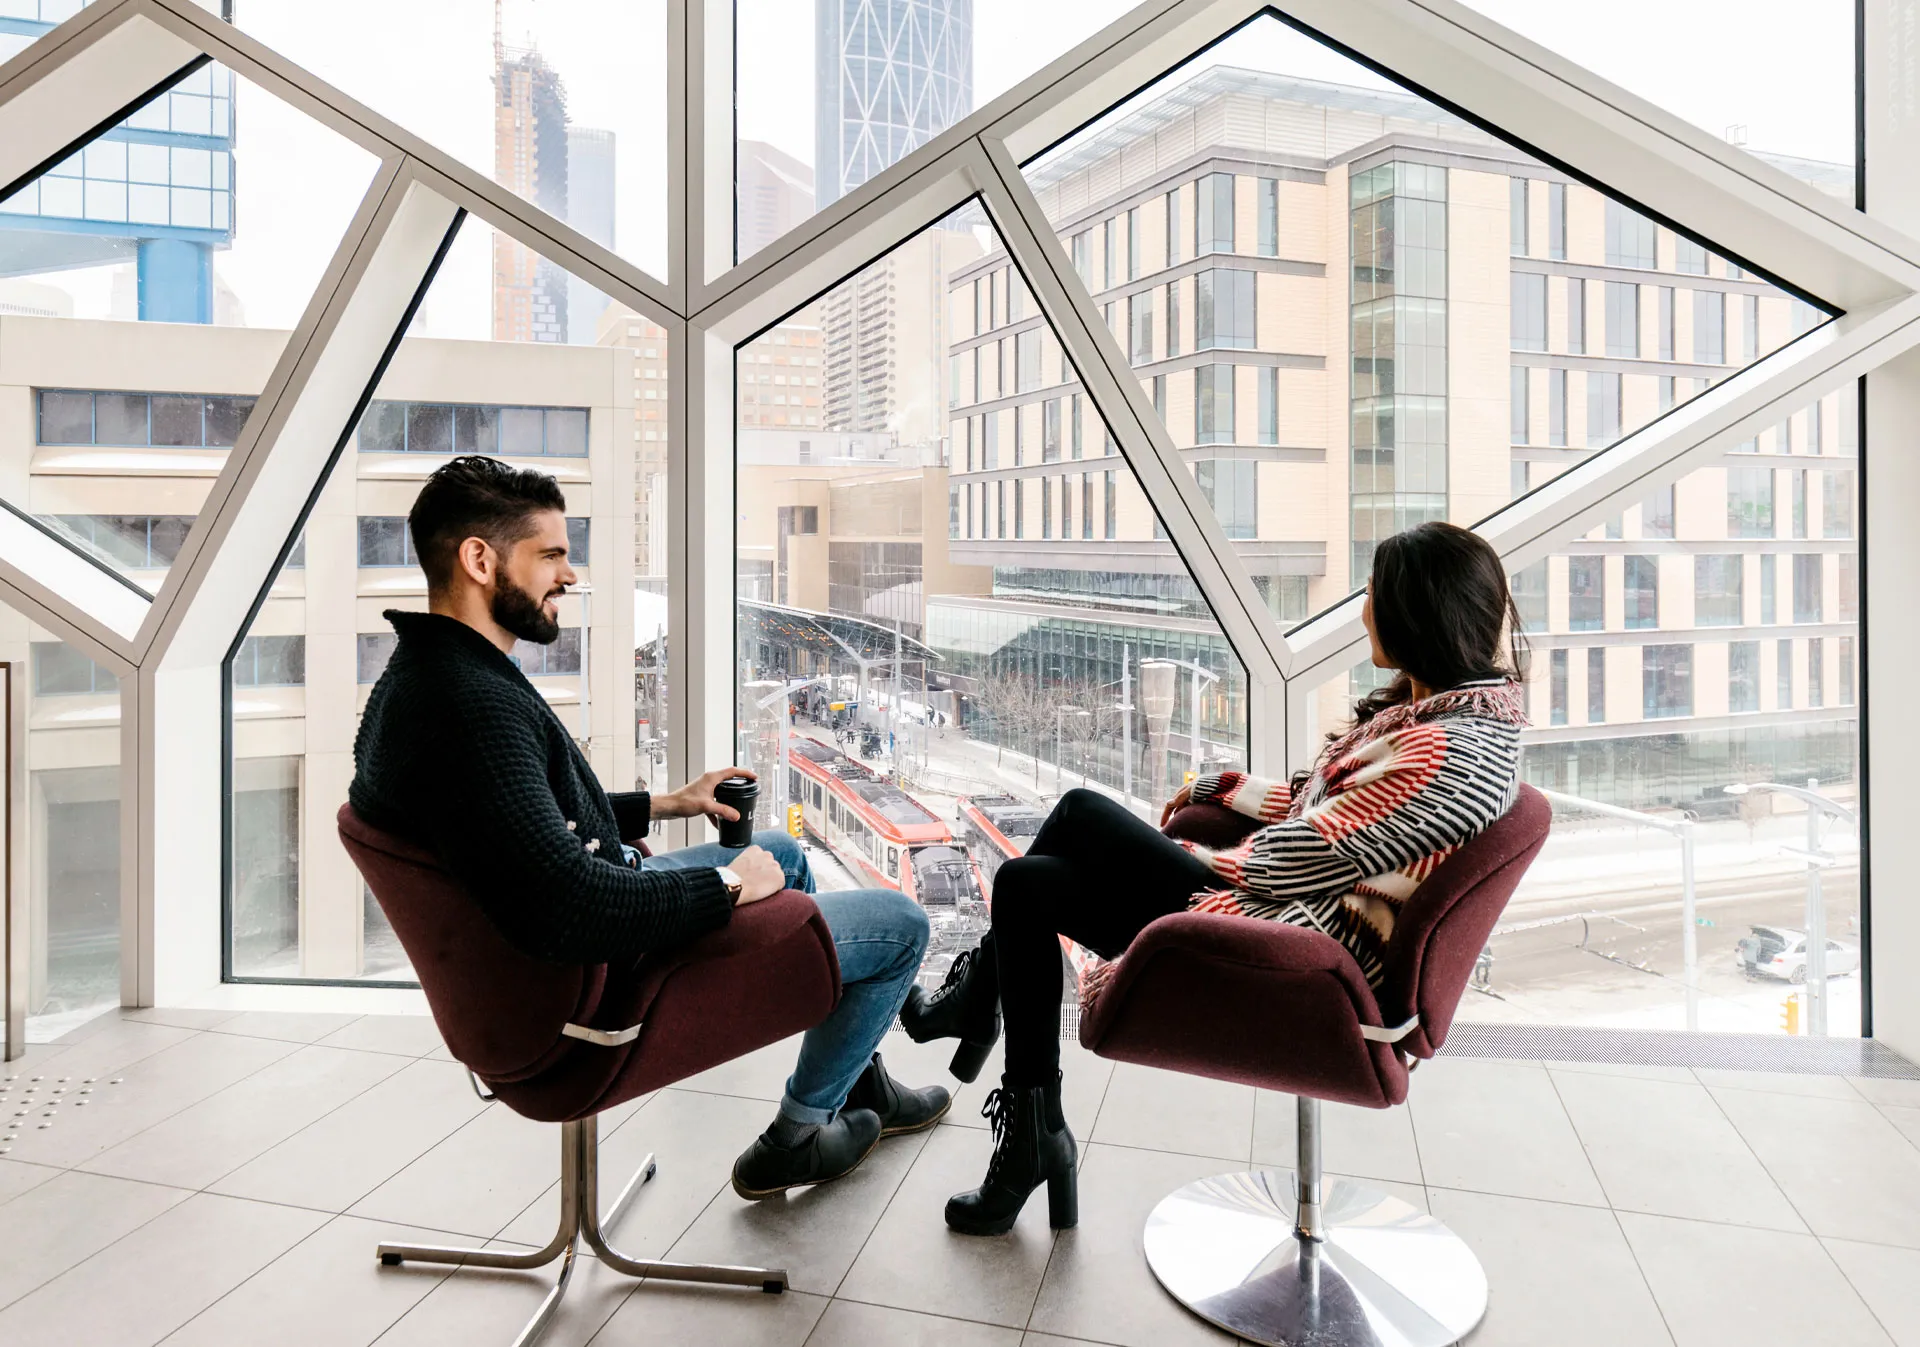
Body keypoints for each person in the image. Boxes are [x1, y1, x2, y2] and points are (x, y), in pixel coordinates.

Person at [901, 520, 1531, 1236]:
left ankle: (984, 1024)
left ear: (1419, 615)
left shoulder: (1445, 752)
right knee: (1023, 884)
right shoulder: (1445, 720)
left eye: (1374, 595)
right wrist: (1223, 787)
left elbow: (1304, 855)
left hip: (1295, 951)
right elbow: (1327, 811)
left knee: (1076, 814)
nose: (1362, 611)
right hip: (1301, 922)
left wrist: (1188, 858)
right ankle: (1028, 1126)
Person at [349, 456, 948, 1201]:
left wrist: (669, 803)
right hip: (590, 1000)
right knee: (900, 928)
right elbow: (572, 907)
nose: (567, 575)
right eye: (551, 555)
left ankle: (867, 1085)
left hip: (557, 966)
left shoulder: (427, 676)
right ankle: (798, 1136)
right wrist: (727, 883)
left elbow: (518, 819)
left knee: (784, 852)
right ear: (479, 558)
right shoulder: (471, 707)